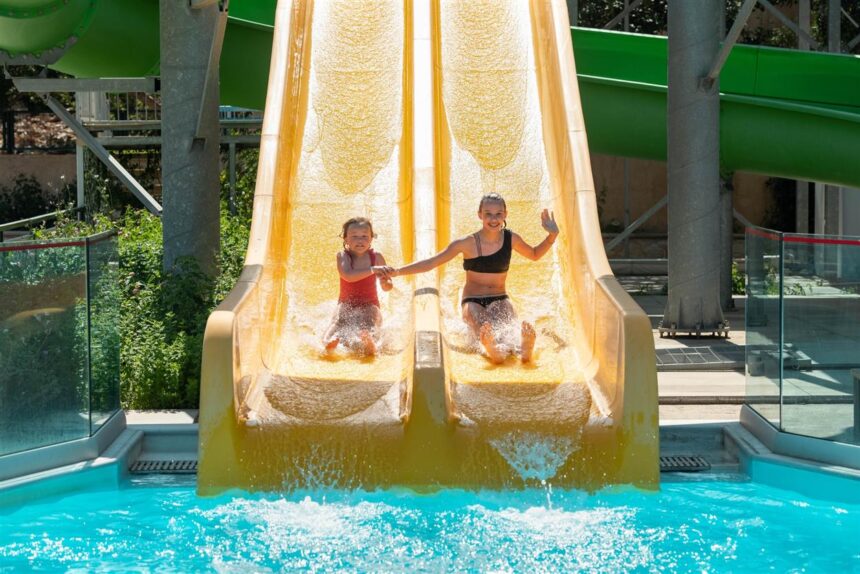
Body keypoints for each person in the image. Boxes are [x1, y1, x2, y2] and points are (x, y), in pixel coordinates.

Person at [374, 193, 558, 364]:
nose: (493, 219)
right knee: (481, 326)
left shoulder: (511, 239)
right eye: (488, 214)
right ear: (480, 215)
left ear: (505, 215)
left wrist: (552, 235)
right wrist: (397, 271)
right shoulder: (466, 243)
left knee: (508, 326)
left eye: (498, 214)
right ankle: (492, 350)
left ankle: (523, 349)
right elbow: (431, 262)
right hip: (473, 300)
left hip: (500, 297)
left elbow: (534, 254)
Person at [323, 216, 393, 356]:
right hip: (346, 302)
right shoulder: (343, 256)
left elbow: (387, 287)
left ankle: (370, 342)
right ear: (346, 239)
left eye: (364, 236)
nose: (360, 240)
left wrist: (386, 283)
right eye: (354, 236)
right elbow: (348, 275)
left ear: (371, 238)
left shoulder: (377, 257)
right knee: (337, 320)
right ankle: (328, 341)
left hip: (370, 303)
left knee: (371, 320)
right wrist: (373, 269)